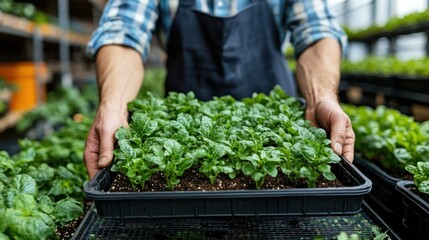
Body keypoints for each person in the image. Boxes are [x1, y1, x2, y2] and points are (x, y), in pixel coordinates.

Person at [84, 0, 355, 179]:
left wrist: (321, 98)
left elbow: (317, 30)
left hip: (271, 119)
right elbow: (122, 31)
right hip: (185, 126)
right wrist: (113, 105)